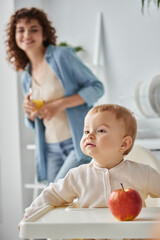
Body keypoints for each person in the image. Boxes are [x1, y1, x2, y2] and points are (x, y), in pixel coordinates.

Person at [18, 104, 160, 229]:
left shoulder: (142, 173)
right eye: (86, 131)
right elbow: (52, 194)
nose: (89, 135)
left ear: (124, 144)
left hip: (132, 235)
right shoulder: (77, 176)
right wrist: (29, 216)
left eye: (100, 131)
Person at [5, 7, 104, 184]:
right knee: (55, 203)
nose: (27, 34)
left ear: (44, 34)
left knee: (55, 193)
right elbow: (34, 124)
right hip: (50, 149)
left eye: (33, 29)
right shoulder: (26, 76)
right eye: (20, 30)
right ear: (14, 37)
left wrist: (59, 104)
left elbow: (97, 87)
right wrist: (29, 114)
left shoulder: (61, 56)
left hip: (76, 143)